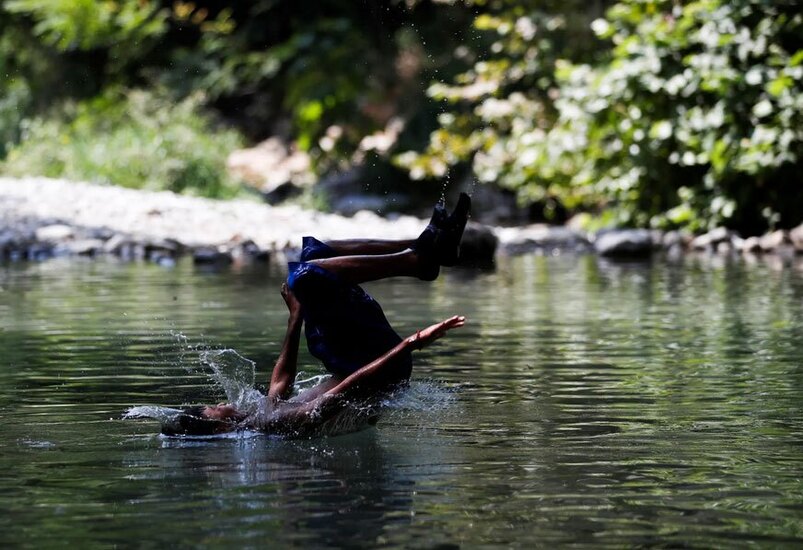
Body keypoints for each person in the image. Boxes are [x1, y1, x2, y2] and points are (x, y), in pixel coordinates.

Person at [163, 194, 471, 437]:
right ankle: (419, 259)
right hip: (382, 369)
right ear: (218, 427)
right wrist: (412, 343)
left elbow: (281, 381)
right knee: (307, 278)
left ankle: (425, 247)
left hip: (354, 361)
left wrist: (295, 317)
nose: (223, 404)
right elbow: (346, 389)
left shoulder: (258, 420)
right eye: (216, 409)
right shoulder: (276, 426)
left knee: (314, 255)